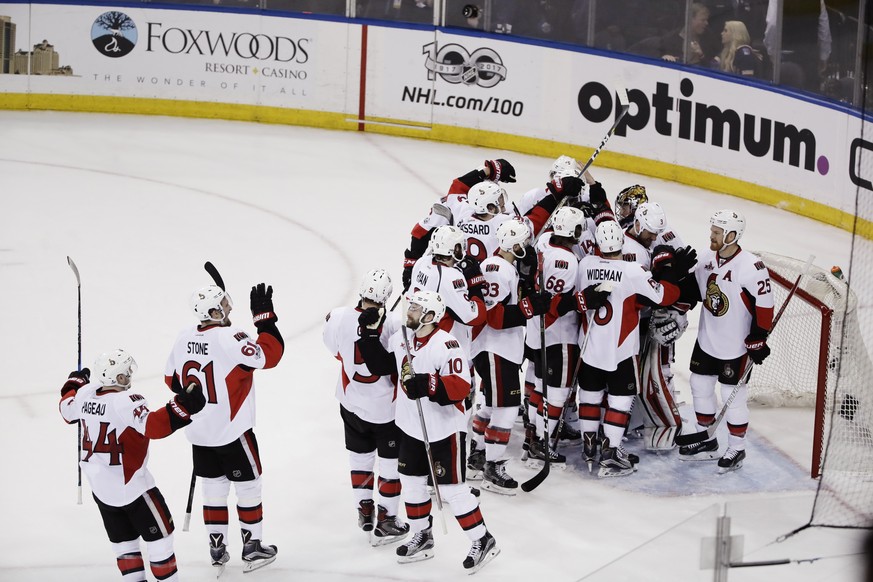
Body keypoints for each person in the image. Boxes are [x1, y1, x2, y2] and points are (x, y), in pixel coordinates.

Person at [355, 290, 500, 574]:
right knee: (410, 482)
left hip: (444, 429)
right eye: (410, 306)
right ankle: (422, 536)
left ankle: (482, 539)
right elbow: (383, 366)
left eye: (415, 309)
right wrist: (369, 336)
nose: (408, 312)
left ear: (431, 317)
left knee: (452, 490)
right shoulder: (402, 338)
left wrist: (431, 384)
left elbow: (461, 387)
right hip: (411, 426)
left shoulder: (446, 344)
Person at [164, 281, 284, 573]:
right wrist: (265, 320)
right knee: (248, 486)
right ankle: (253, 548)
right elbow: (271, 355)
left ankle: (216, 548)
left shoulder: (183, 337)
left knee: (214, 489)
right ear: (215, 310)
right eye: (225, 303)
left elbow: (172, 380)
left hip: (200, 433)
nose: (229, 306)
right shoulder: (231, 337)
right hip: (232, 431)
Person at [59, 349, 206, 582]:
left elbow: (67, 410)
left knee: (125, 548)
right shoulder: (125, 400)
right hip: (134, 490)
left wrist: (72, 384)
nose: (129, 375)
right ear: (116, 378)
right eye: (125, 372)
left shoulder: (85, 394)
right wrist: (183, 407)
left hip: (102, 492)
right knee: (161, 542)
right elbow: (154, 426)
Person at [575, 221, 696, 477]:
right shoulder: (633, 271)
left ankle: (588, 447)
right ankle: (611, 454)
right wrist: (670, 270)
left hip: (589, 348)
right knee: (619, 402)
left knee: (589, 397)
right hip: (620, 352)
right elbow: (666, 296)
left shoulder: (585, 265)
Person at [681, 210, 774, 472]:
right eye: (712, 230)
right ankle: (706, 438)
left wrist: (759, 337)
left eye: (717, 232)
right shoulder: (707, 259)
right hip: (708, 338)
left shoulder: (751, 267)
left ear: (732, 236)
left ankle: (737, 448)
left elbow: (765, 307)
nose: (712, 235)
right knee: (699, 384)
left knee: (731, 396)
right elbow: (694, 292)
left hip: (736, 344)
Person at [322, 269, 408, 545]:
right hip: (387, 410)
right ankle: (387, 518)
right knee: (390, 464)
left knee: (360, 458)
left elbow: (334, 350)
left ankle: (364, 510)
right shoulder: (395, 323)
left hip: (351, 402)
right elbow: (397, 363)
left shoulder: (338, 317)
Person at [470, 219, 551, 494]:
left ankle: (476, 456)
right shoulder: (497, 269)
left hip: (498, 349)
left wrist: (527, 291)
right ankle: (493, 467)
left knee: (493, 406)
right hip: (495, 348)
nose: (526, 247)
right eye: (523, 243)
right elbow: (493, 317)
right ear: (512, 245)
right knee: (505, 408)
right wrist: (529, 308)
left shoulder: (503, 266)